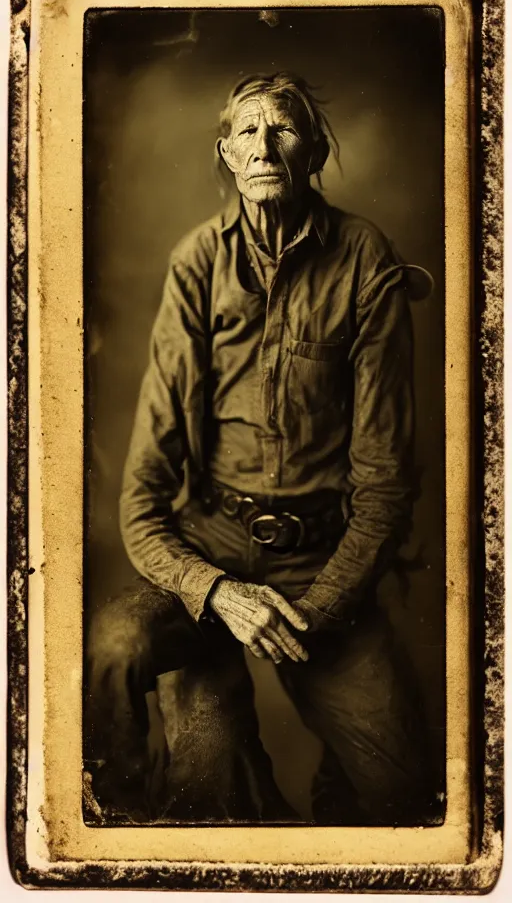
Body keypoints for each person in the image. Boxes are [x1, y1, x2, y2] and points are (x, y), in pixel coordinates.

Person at [86, 72, 435, 825]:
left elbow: (384, 489)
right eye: (246, 130)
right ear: (225, 153)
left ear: (314, 151)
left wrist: (310, 613)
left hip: (326, 563)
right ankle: (110, 830)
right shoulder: (197, 264)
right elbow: (143, 499)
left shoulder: (365, 259)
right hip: (212, 550)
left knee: (409, 801)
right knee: (119, 647)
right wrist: (217, 593)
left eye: (283, 128)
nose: (263, 144)